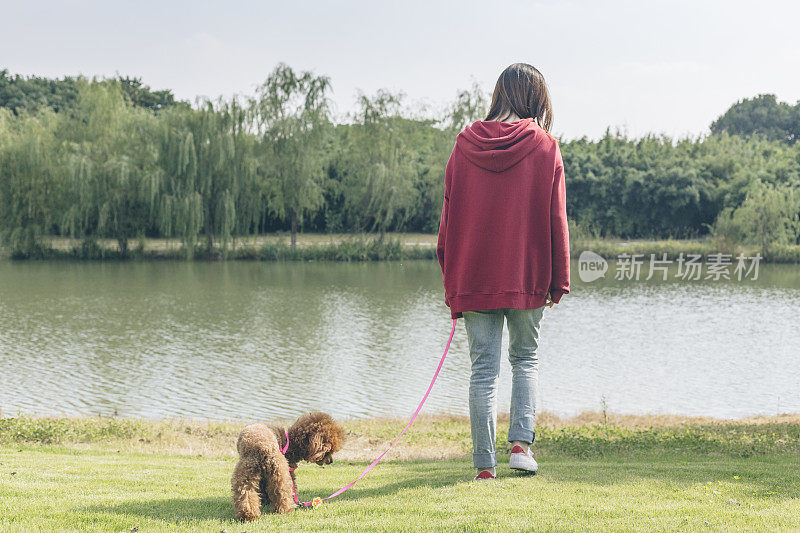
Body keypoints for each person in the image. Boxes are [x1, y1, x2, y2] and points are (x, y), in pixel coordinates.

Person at [436, 63, 570, 481]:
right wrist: (558, 279)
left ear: (499, 94)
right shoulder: (546, 147)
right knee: (525, 359)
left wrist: (452, 275)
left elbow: (448, 219)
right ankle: (520, 446)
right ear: (536, 98)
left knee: (482, 369)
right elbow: (556, 219)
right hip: (527, 274)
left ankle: (483, 468)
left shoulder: (463, 145)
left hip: (475, 277)